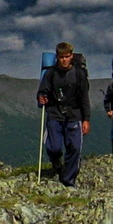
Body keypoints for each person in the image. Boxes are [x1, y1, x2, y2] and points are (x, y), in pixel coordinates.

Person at [36, 42, 90, 187]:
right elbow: (42, 91)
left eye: (67, 56)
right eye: (61, 57)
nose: (64, 60)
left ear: (71, 56)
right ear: (57, 57)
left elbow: (84, 98)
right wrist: (41, 96)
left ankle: (68, 180)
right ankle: (56, 162)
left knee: (74, 148)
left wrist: (86, 119)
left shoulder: (79, 74)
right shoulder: (51, 74)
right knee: (53, 147)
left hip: (74, 114)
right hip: (55, 113)